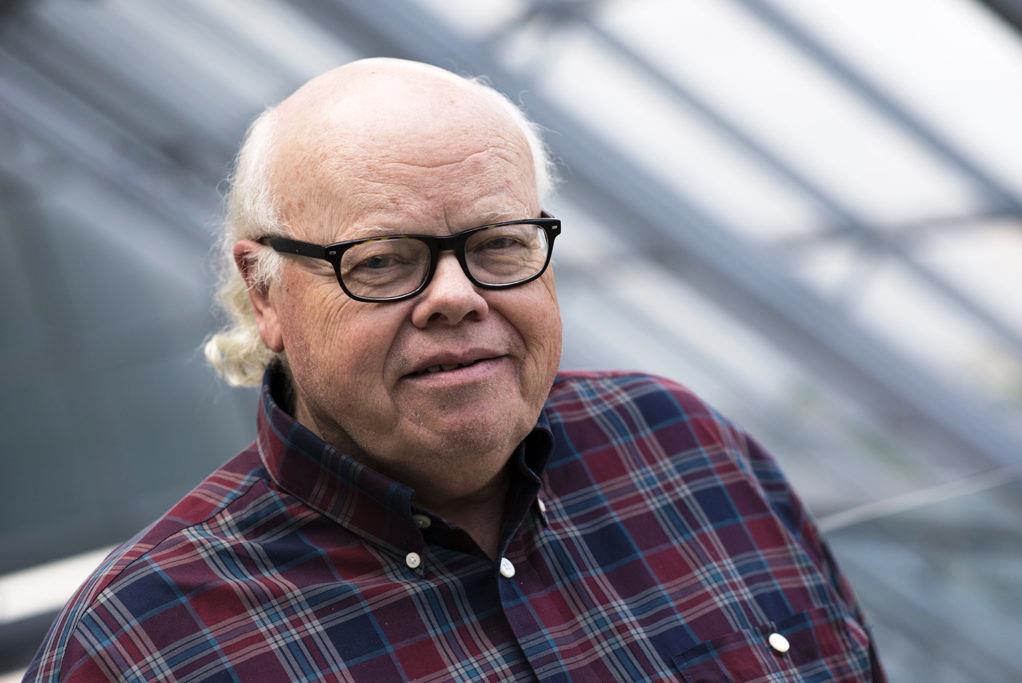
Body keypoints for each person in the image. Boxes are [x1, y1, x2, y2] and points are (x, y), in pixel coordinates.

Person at [26, 58, 885, 681]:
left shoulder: (688, 452)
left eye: (498, 244)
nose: (456, 297)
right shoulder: (147, 644)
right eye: (383, 260)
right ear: (265, 293)